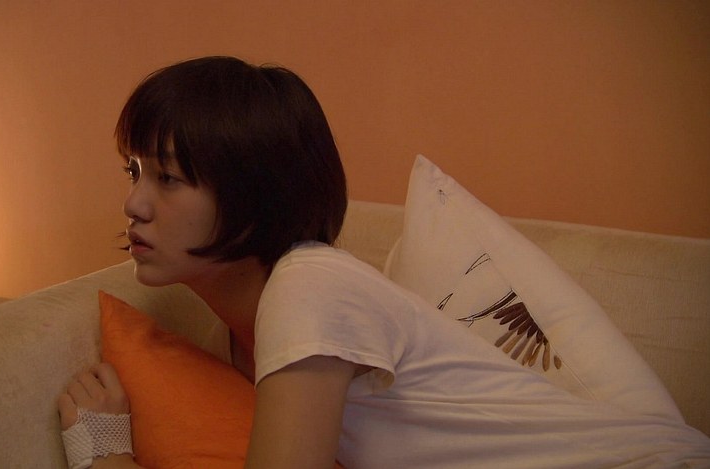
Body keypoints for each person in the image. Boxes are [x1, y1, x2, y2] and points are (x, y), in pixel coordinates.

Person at [58, 56, 710, 469]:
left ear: (255, 195)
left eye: (168, 178)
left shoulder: (308, 286)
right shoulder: (226, 337)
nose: (133, 203)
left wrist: (103, 453)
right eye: (134, 171)